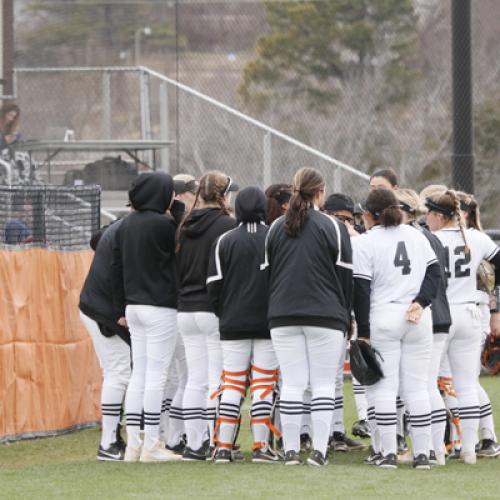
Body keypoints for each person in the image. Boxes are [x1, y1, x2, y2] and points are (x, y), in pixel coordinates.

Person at [262, 167, 353, 466]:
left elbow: (268, 277)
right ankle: (319, 451)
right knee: (324, 384)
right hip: (325, 315)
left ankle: (290, 451)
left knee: (292, 383)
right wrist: (346, 316)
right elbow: (345, 277)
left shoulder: (275, 227)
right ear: (319, 193)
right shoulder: (332, 226)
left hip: (283, 315)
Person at [353, 188, 441, 470]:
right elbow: (434, 273)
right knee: (417, 388)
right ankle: (423, 455)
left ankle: (388, 453)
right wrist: (421, 302)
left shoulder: (365, 242)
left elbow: (361, 289)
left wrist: (364, 331)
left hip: (384, 314)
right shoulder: (416, 235)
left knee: (384, 390)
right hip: (416, 316)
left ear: (368, 214)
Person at [111, 172, 183, 463]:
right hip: (160, 306)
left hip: (133, 307)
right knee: (157, 375)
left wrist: (120, 307)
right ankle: (152, 444)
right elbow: (181, 240)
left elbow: (116, 266)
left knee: (138, 375)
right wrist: (177, 210)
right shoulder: (164, 224)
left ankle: (133, 445)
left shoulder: (126, 224)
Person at [425, 190, 500, 464]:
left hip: (440, 314)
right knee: (467, 384)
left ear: (438, 215)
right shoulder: (476, 237)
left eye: (428, 213)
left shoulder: (429, 238)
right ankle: (469, 450)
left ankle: (437, 449)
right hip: (470, 312)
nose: (425, 218)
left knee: (428, 383)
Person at [207, 186, 280, 464]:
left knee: (233, 385)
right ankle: (261, 447)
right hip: (267, 324)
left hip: (232, 325)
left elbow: (213, 287)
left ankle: (223, 446)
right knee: (263, 385)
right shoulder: (274, 236)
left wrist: (224, 313)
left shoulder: (224, 240)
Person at [176, 171, 238, 461]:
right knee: (216, 379)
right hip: (212, 308)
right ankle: (215, 443)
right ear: (223, 194)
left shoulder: (185, 223)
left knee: (195, 379)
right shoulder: (227, 225)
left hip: (185, 308)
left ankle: (194, 444)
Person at [396, 188, 452, 466]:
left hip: (424, 314)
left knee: (421, 386)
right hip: (441, 313)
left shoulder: (413, 238)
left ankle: (429, 448)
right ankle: (437, 448)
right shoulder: (431, 236)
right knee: (428, 385)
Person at [79, 219, 131, 461]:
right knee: (118, 373)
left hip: (100, 306)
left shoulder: (122, 227)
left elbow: (97, 239)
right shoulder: (126, 228)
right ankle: (109, 442)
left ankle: (113, 438)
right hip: (102, 310)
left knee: (119, 373)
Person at [456, 193, 500, 457]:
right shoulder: (455, 238)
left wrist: (496, 313)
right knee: (465, 380)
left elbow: (493, 284)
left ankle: (488, 437)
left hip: (478, 309)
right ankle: (484, 437)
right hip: (467, 311)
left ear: (467, 214)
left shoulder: (478, 241)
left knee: (468, 379)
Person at [322, 193, 366, 451]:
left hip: (339, 312)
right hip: (321, 312)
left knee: (336, 377)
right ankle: (307, 434)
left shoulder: (352, 239)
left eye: (349, 219)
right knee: (311, 380)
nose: (345, 223)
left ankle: (335, 432)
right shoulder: (321, 233)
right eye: (340, 218)